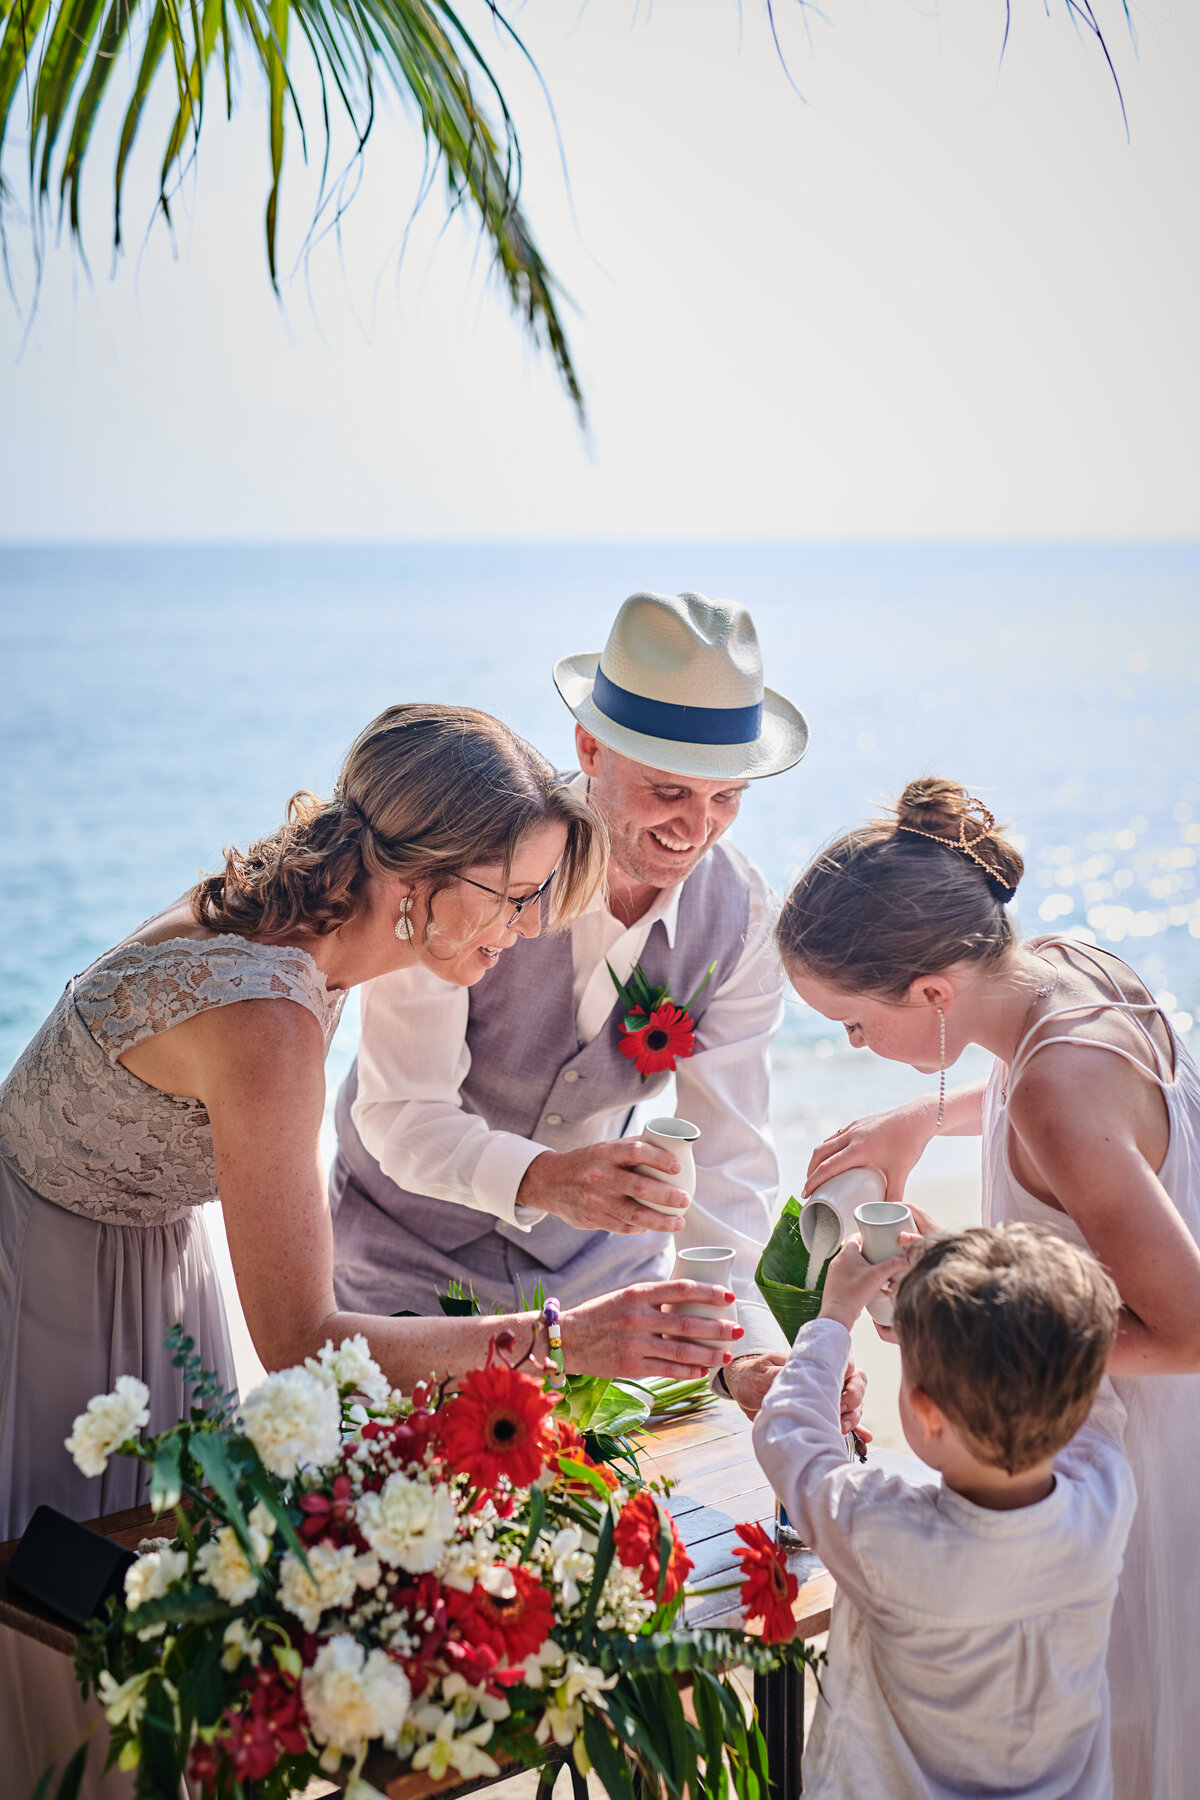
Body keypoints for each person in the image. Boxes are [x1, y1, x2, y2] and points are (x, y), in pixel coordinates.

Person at [0, 703, 739, 1799]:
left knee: (155, 1647)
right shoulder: (264, 1019)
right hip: (55, 1291)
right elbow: (301, 1340)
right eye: (514, 895)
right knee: (74, 1647)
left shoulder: (308, 920)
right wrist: (558, 1342)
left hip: (151, 1253)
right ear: (416, 880)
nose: (531, 928)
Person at [774, 776, 1200, 1800]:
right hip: (1088, 1431)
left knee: (1121, 1718)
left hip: (1111, 1443)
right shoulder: (1060, 970)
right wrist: (924, 1119)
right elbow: (1053, 1087)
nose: (854, 1050)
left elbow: (1189, 1331)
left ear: (929, 993)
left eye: (852, 1026)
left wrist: (962, 1303)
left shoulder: (1057, 1096)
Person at [331, 592, 837, 1420]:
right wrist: (546, 1180)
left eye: (726, 797)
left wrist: (746, 1348)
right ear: (589, 748)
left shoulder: (742, 919)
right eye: (669, 790)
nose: (697, 828)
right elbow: (400, 1111)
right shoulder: (465, 860)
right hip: (406, 1261)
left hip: (602, 1280)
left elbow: (732, 1161)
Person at [754, 1222, 1134, 1800]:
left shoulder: (886, 1533)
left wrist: (834, 1315)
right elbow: (1088, 1387)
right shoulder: (1107, 1496)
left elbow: (790, 1436)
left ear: (928, 1417)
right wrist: (970, 1272)